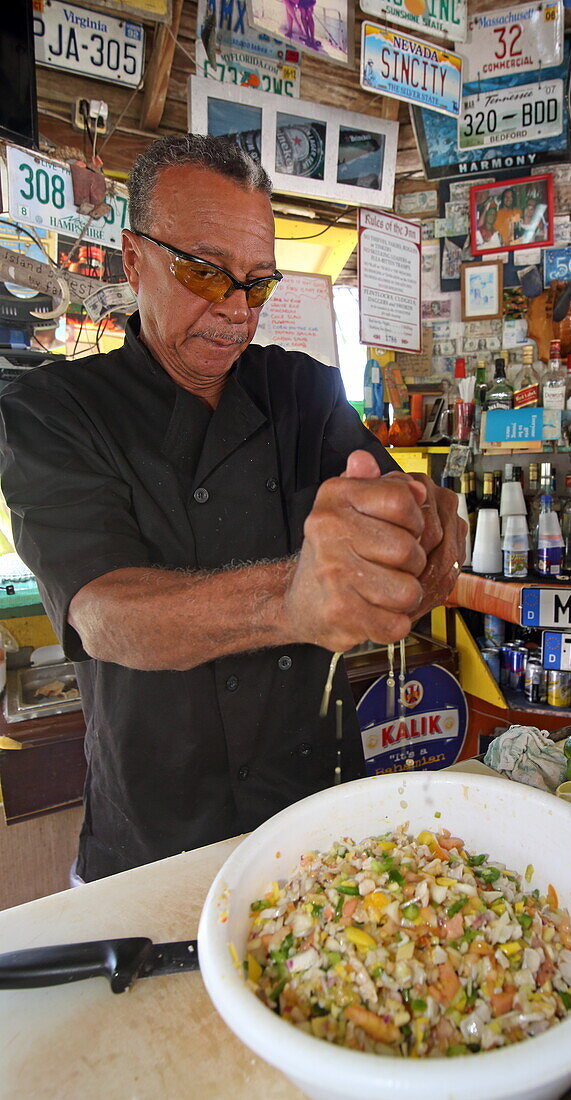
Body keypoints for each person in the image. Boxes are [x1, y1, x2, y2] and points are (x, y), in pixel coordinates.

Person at [0, 135, 464, 882]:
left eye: (257, 282)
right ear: (133, 258)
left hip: (317, 832)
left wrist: (422, 521)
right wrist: (291, 598)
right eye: (204, 273)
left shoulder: (304, 394)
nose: (234, 310)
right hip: (152, 848)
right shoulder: (55, 413)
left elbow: (391, 512)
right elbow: (106, 613)